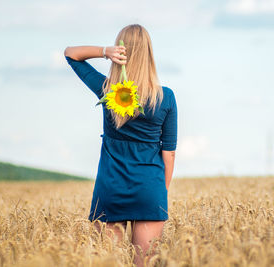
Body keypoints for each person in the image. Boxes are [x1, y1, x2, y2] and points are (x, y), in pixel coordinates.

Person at [64, 24, 177, 267]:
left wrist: (105, 51)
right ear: (149, 53)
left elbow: (70, 54)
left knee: (106, 263)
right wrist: (160, 193)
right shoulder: (165, 97)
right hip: (149, 190)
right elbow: (169, 153)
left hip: (111, 187)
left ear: (121, 52)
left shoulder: (108, 91)